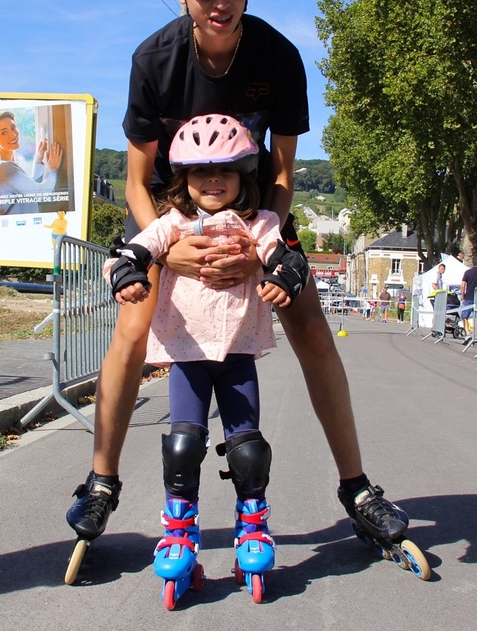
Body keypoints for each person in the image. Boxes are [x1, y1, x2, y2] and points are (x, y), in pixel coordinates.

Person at [66, 0, 409, 563]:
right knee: (133, 328)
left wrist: (265, 240)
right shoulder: (155, 62)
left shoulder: (277, 58)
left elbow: (281, 173)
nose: (219, 2)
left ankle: (357, 488)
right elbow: (138, 182)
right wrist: (171, 247)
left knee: (309, 322)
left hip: (257, 215)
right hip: (169, 218)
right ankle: (103, 480)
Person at [104, 115, 304, 605]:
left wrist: (283, 278)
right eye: (200, 173)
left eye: (226, 172)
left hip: (238, 353)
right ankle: (179, 530)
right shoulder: (171, 225)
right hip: (188, 355)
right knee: (182, 446)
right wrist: (126, 275)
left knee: (248, 448)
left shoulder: (260, 223)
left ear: (244, 177)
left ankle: (252, 526)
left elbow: (287, 258)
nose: (213, 182)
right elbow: (127, 252)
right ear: (182, 180)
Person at [0, 110, 64, 215]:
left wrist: (38, 160)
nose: (13, 135)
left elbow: (29, 192)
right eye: (4, 132)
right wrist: (53, 169)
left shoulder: (3, 164)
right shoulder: (4, 168)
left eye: (13, 128)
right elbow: (40, 194)